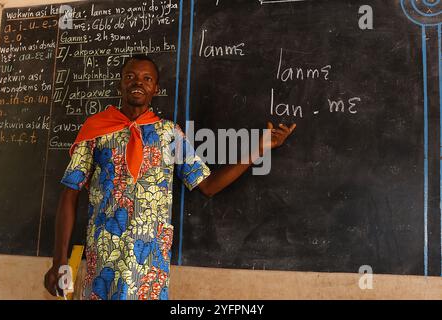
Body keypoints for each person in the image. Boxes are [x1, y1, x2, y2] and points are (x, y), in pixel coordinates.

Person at [44, 54, 296, 300]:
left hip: (150, 263)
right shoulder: (95, 130)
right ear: (120, 83)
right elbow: (70, 193)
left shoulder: (169, 134)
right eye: (130, 76)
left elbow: (208, 185)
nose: (137, 83)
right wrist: (59, 261)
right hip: (104, 258)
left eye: (146, 79)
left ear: (156, 89)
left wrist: (259, 149)